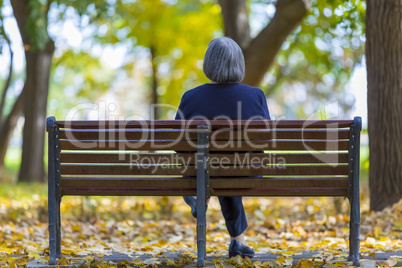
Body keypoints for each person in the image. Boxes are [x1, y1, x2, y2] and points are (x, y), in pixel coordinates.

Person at [174, 37, 270, 258]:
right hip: (244, 171)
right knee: (228, 166)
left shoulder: (191, 97)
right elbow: (264, 139)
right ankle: (238, 241)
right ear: (239, 63)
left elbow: (175, 142)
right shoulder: (256, 95)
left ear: (209, 63)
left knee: (211, 165)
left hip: (200, 172)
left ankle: (199, 197)